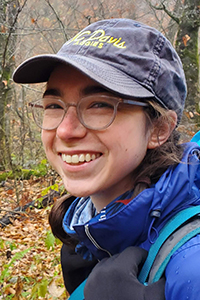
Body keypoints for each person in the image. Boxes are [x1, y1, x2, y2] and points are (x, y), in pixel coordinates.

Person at [13, 18, 200, 300]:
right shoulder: (88, 232)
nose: (65, 130)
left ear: (160, 129)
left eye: (99, 104)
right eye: (54, 105)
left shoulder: (191, 264)